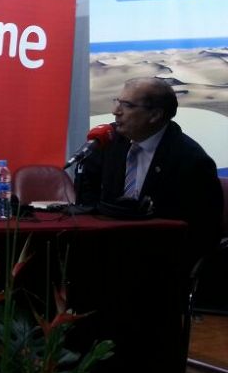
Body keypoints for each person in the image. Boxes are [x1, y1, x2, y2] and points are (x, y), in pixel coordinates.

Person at [76, 77, 222, 264]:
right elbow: (87, 196)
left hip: (161, 261)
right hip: (106, 248)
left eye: (127, 105)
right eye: (117, 102)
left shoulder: (191, 161)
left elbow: (203, 230)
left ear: (155, 115)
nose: (115, 111)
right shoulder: (108, 142)